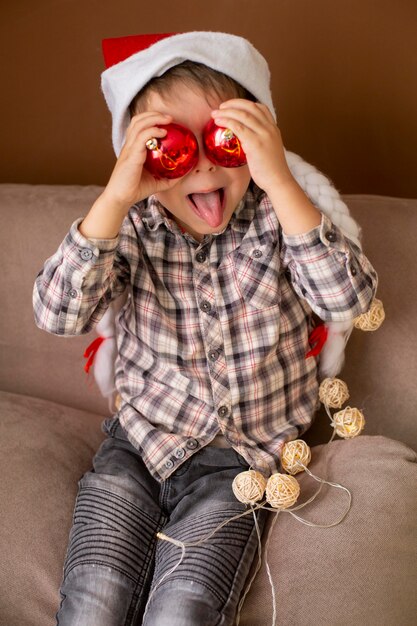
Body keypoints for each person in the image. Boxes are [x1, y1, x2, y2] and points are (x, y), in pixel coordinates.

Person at [33, 31, 378, 626]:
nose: (201, 165)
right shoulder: (132, 226)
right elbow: (57, 314)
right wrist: (115, 199)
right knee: (91, 605)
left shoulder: (280, 218)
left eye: (227, 140)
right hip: (136, 449)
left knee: (184, 611)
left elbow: (347, 299)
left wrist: (281, 181)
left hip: (239, 469)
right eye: (170, 148)